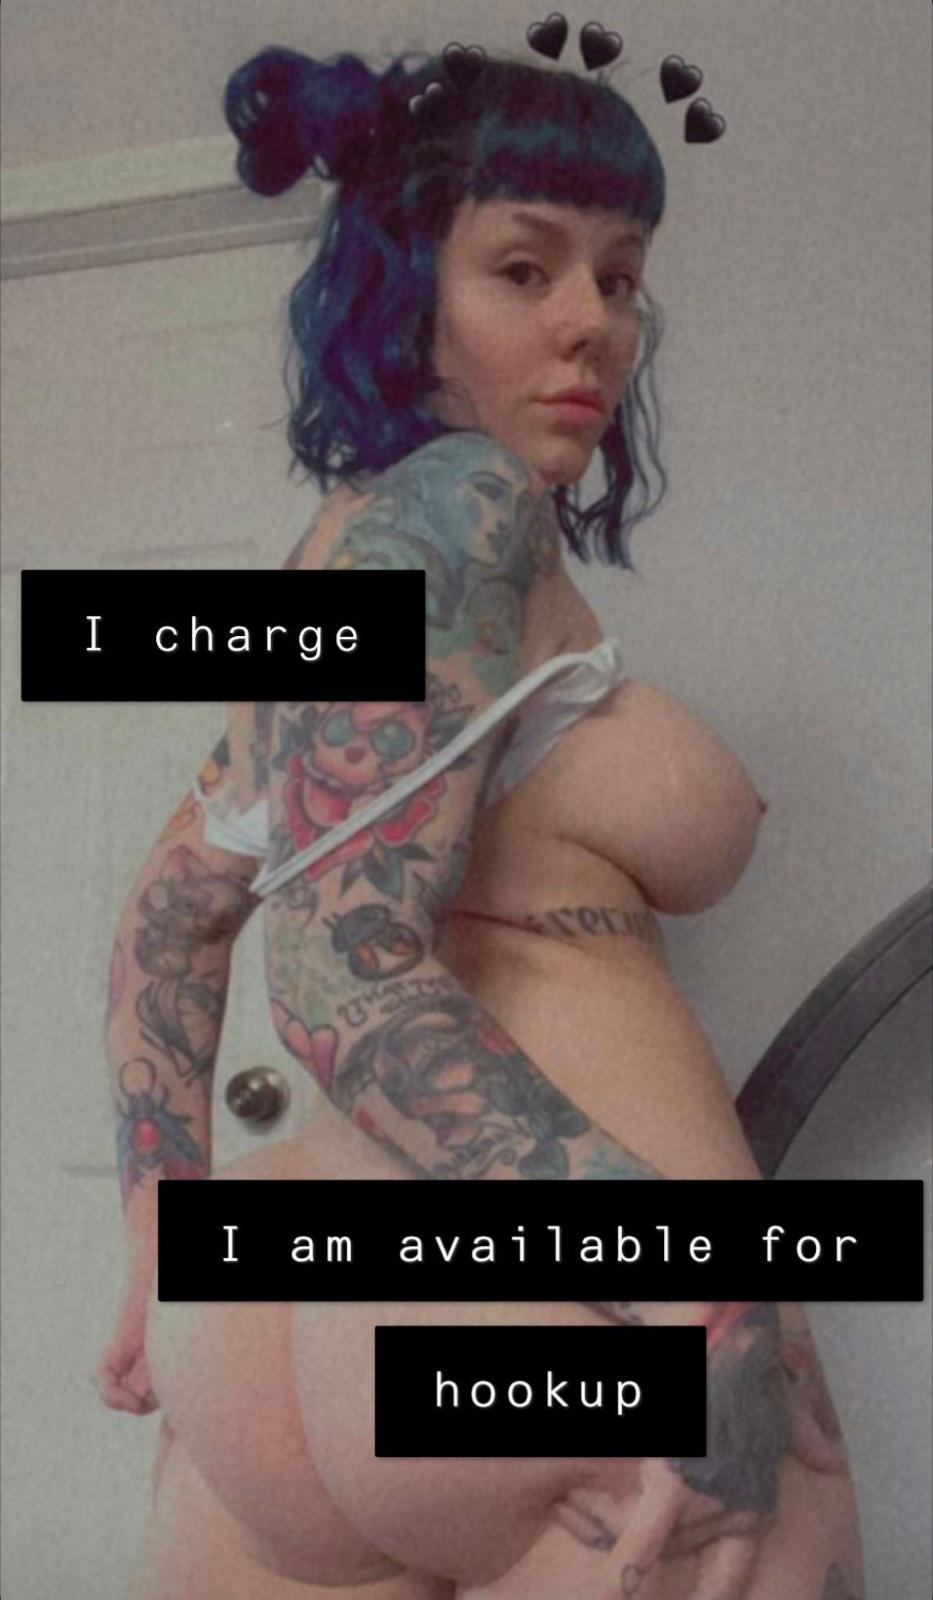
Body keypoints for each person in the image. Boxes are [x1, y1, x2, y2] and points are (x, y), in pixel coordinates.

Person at [96, 37, 866, 1600]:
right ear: (406, 288)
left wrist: (161, 1242)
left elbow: (171, 920)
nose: (593, 321)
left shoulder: (325, 571)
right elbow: (337, 972)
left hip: (272, 1336)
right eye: (524, 268)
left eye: (621, 276)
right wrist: (697, 1298)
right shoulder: (463, 510)